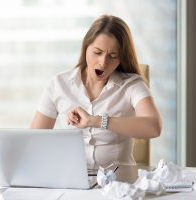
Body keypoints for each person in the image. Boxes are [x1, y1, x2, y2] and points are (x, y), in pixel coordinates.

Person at [30, 15, 162, 168]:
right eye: (97, 52)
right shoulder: (58, 84)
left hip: (118, 184)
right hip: (70, 182)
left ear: (121, 59)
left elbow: (153, 127)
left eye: (113, 56)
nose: (103, 62)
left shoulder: (132, 85)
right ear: (86, 47)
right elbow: (34, 141)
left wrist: (96, 121)